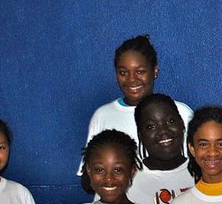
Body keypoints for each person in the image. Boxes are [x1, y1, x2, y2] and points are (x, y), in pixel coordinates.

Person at [78, 35, 193, 175]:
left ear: (155, 71)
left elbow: (195, 167)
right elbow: (88, 176)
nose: (131, 79)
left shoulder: (181, 112)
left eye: (140, 72)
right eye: (123, 72)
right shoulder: (103, 115)